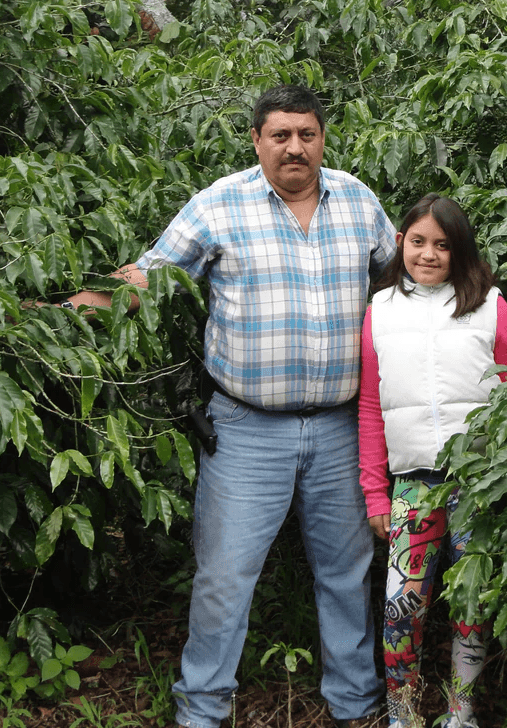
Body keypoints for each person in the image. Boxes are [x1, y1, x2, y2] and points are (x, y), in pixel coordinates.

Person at [65, 85, 397, 728]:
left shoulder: (357, 199)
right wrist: (65, 312)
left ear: (323, 138)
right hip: (246, 430)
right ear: (257, 141)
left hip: (340, 427)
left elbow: (398, 277)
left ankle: (356, 705)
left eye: (307, 133)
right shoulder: (220, 203)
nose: (295, 147)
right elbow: (150, 278)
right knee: (224, 577)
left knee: (348, 574)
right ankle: (203, 709)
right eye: (280, 135)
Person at [357, 193, 507, 728]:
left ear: (459, 250)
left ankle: (460, 714)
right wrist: (375, 492)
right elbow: (370, 406)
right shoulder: (379, 311)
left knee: (473, 606)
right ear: (401, 241)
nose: (428, 254)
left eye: (442, 245)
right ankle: (403, 717)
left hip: (480, 485)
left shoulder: (490, 304)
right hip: (412, 488)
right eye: (418, 241)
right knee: (402, 610)